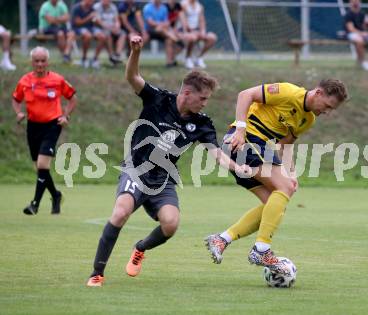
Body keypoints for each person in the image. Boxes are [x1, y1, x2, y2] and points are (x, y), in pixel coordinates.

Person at [86, 34, 251, 287]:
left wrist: (237, 167)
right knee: (120, 213)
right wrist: (136, 52)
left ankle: (140, 248)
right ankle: (97, 273)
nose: (206, 103)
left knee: (171, 224)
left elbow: (216, 153)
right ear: (186, 93)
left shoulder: (202, 123)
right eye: (203, 98)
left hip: (163, 180)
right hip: (136, 170)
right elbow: (132, 77)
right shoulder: (158, 99)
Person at [205, 79, 348, 274]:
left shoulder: (308, 119)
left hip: (260, 148)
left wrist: (291, 173)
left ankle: (222, 239)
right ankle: (261, 249)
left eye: (332, 109)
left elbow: (286, 144)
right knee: (284, 190)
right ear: (319, 93)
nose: (327, 111)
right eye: (327, 106)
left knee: (271, 205)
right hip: (246, 140)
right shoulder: (288, 92)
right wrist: (240, 128)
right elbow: (245, 94)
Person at [11, 46, 77, 215]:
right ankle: (56, 195)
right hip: (33, 126)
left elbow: (72, 98)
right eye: (36, 61)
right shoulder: (25, 81)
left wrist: (66, 116)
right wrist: (18, 113)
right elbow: (16, 99)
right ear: (31, 62)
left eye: (43, 61)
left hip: (52, 126)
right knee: (40, 168)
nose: (40, 64)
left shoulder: (57, 80)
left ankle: (35, 204)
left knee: (42, 164)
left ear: (48, 62)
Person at [344, 0, 368, 71]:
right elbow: (351, 29)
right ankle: (362, 61)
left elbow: (365, 27)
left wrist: (367, 25)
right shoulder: (348, 14)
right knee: (359, 41)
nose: (356, 2)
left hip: (362, 33)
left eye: (357, 1)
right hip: (351, 34)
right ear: (350, 2)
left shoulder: (363, 14)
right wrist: (362, 33)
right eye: (354, 1)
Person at [143, 0, 182, 67]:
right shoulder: (147, 7)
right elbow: (150, 23)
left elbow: (166, 23)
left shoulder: (164, 8)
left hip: (162, 31)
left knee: (168, 40)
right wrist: (161, 25)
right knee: (143, 40)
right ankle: (176, 40)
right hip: (150, 31)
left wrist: (160, 26)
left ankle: (169, 63)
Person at [180, 0, 217, 69]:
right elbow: (183, 21)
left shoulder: (199, 6)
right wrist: (191, 31)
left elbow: (201, 20)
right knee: (192, 37)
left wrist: (202, 31)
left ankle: (199, 58)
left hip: (197, 31)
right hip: (185, 31)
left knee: (212, 37)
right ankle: (188, 58)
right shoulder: (183, 4)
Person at [71, 0, 107, 68]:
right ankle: (84, 59)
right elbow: (77, 23)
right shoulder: (77, 8)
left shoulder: (92, 8)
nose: (92, 3)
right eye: (90, 1)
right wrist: (89, 17)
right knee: (88, 36)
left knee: (103, 37)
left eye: (92, 1)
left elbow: (95, 22)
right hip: (78, 28)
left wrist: (97, 21)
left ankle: (95, 60)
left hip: (90, 27)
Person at [93, 0, 126, 65]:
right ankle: (111, 56)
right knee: (107, 35)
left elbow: (117, 20)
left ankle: (117, 55)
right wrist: (110, 28)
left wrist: (117, 26)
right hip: (100, 29)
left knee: (122, 34)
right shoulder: (96, 7)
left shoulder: (113, 7)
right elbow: (97, 21)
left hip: (112, 28)